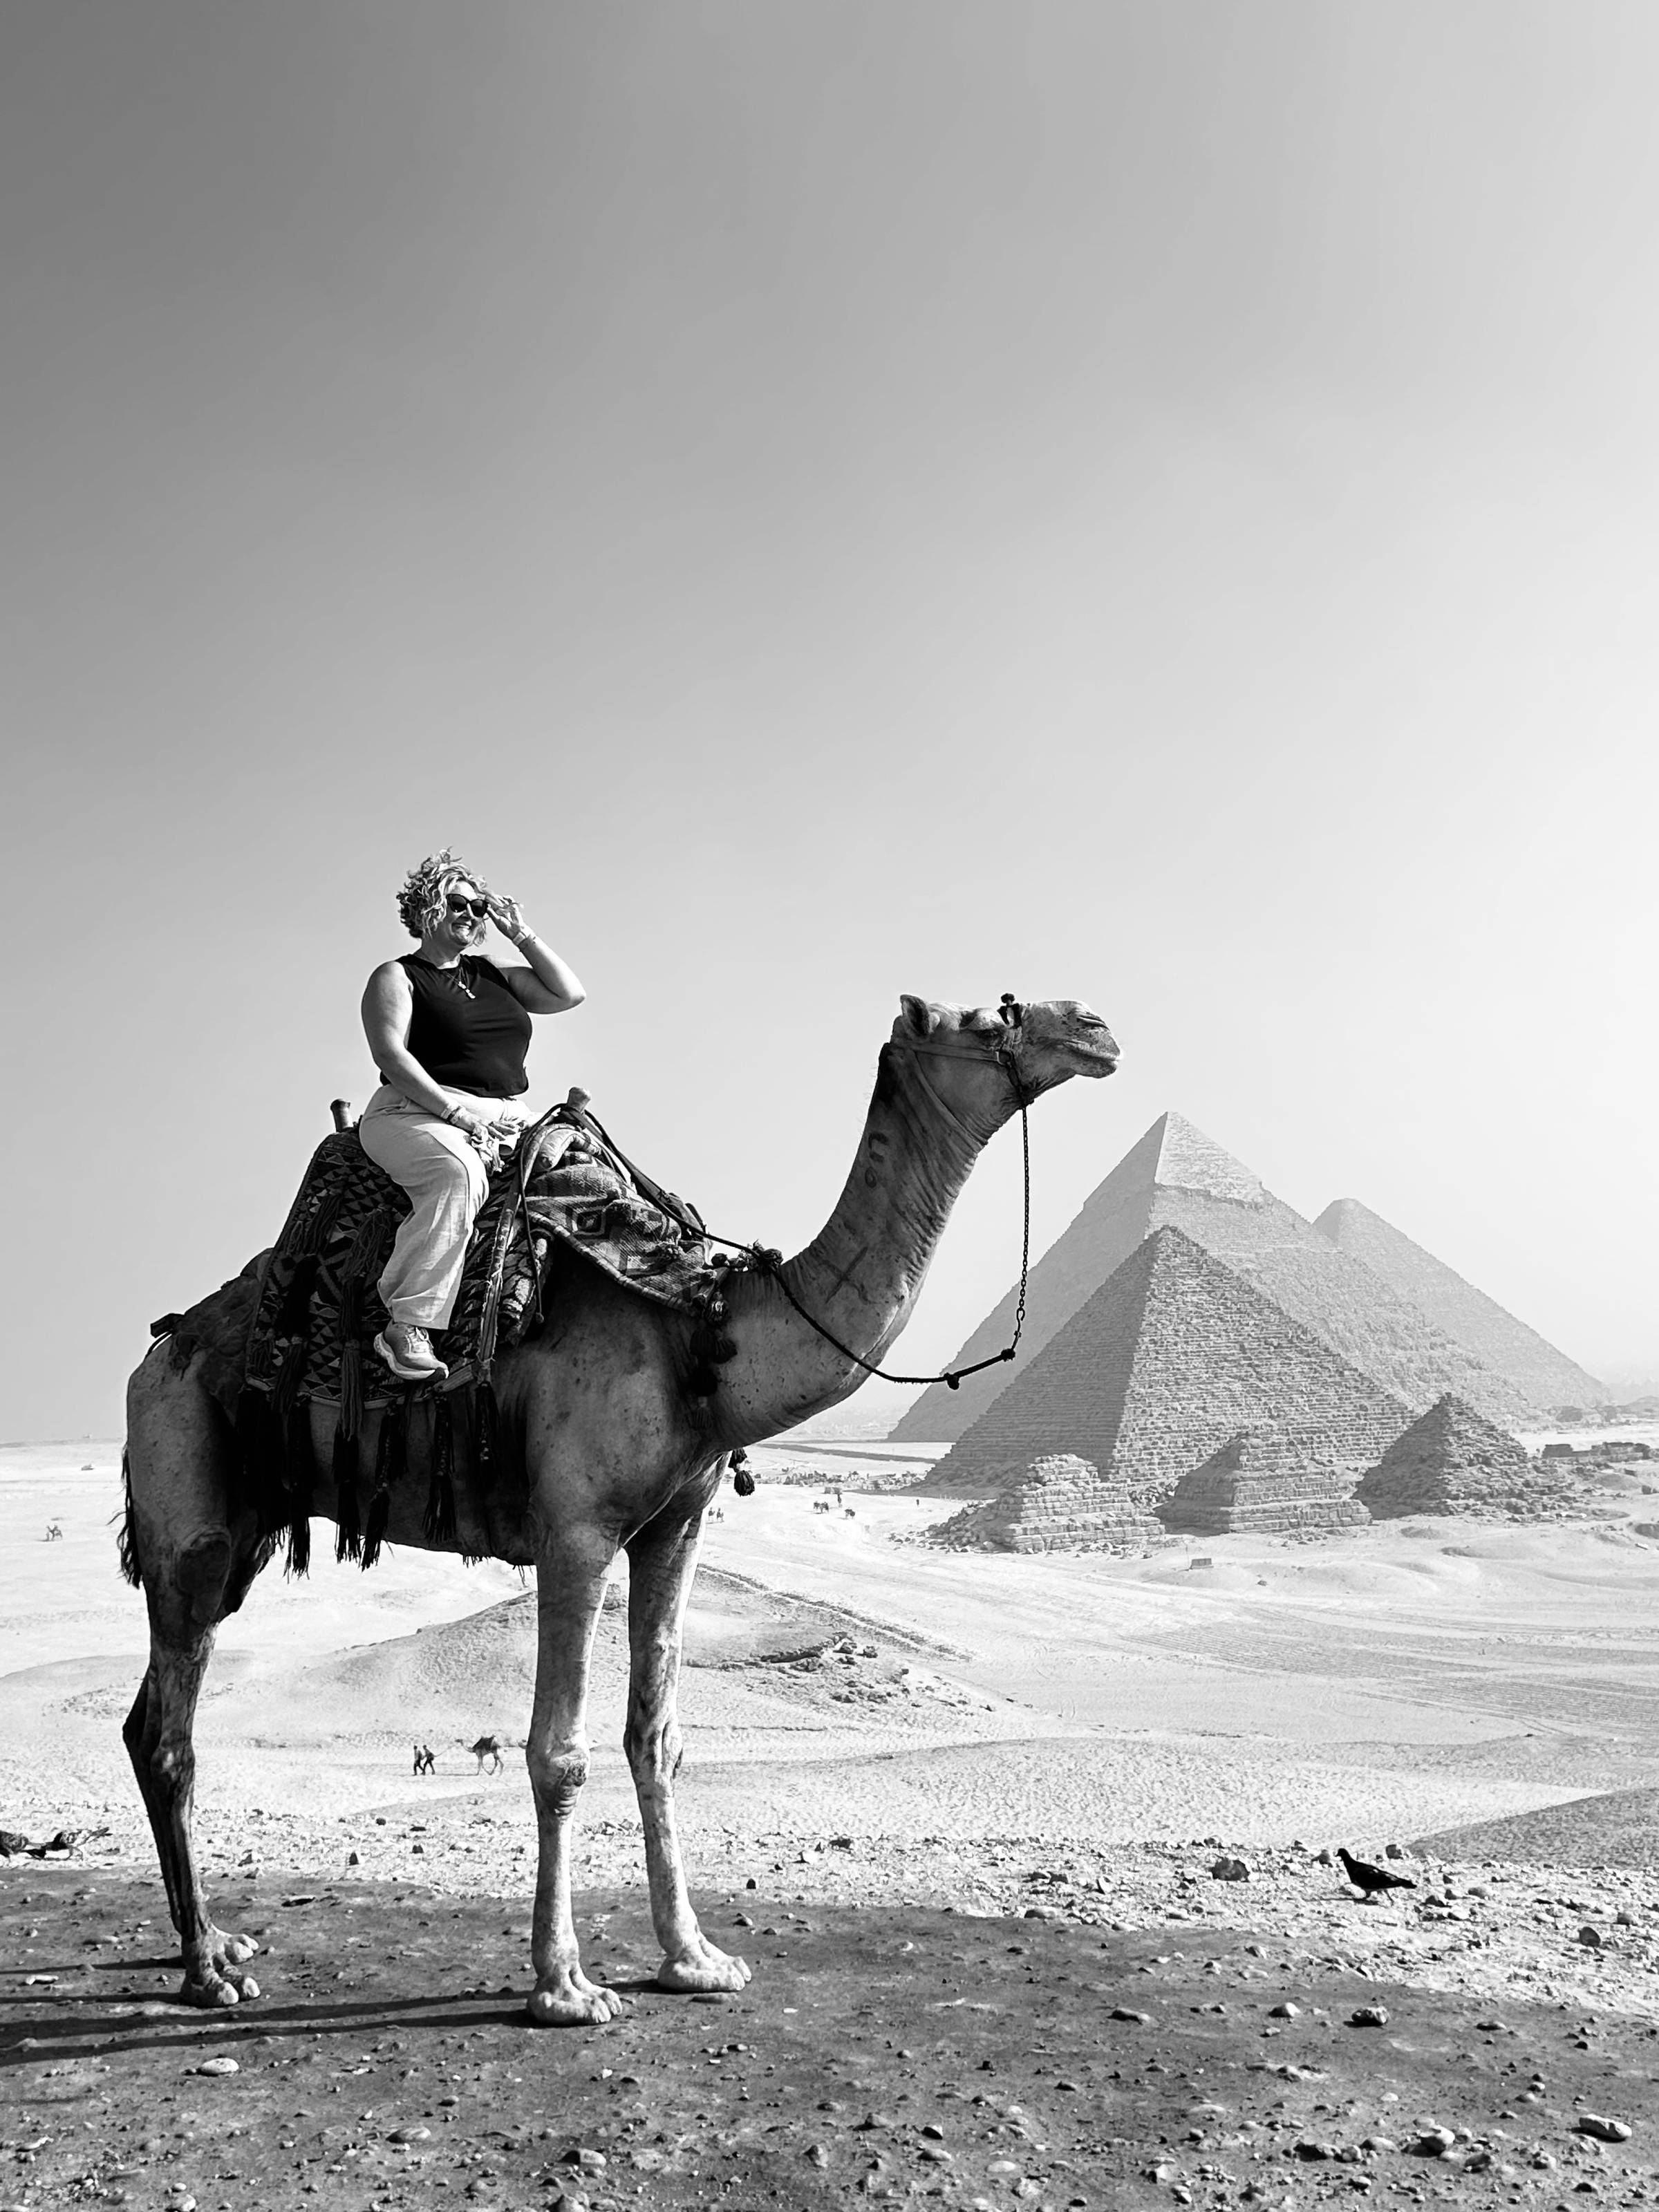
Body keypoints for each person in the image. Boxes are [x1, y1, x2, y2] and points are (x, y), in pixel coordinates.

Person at [359, 850, 585, 1382]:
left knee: (588, 1160)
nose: (471, 913)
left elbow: (568, 994)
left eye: (478, 906)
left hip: (510, 1114)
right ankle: (408, 1325)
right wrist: (455, 1115)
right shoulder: (397, 976)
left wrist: (519, 931)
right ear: (426, 907)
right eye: (459, 902)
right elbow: (391, 1055)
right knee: (457, 1175)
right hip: (415, 1110)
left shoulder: (494, 974)